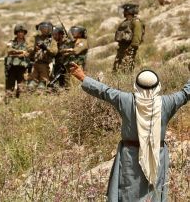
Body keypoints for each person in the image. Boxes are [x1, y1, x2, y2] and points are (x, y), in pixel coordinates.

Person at [70, 63, 190, 201]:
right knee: (154, 194)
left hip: (129, 156)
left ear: (136, 85)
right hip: (158, 154)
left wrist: (82, 77)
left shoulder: (126, 100)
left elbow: (104, 91)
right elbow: (186, 93)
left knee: (128, 193)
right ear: (158, 85)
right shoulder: (168, 102)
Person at [113, 3, 143, 73]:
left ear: (129, 11)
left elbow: (136, 38)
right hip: (121, 50)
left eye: (125, 10)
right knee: (116, 70)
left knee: (126, 70)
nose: (123, 12)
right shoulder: (125, 22)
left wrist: (131, 49)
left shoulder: (135, 22)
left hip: (128, 51)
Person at [28, 21, 58, 90]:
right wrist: (35, 48)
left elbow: (54, 51)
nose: (45, 30)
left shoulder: (52, 41)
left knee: (42, 85)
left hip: (45, 64)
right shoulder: (34, 38)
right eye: (44, 28)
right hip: (34, 64)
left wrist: (46, 48)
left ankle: (42, 98)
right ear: (40, 29)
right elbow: (29, 48)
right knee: (31, 85)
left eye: (47, 29)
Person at [4, 24, 30, 103]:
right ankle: (8, 104)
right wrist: (21, 53)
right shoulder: (11, 42)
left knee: (21, 88)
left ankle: (20, 104)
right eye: (19, 32)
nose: (20, 34)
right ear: (16, 33)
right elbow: (9, 51)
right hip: (11, 67)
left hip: (23, 68)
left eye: (22, 32)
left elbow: (29, 53)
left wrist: (15, 54)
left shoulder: (27, 43)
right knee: (9, 88)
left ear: (24, 33)